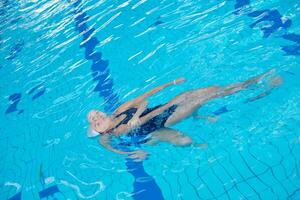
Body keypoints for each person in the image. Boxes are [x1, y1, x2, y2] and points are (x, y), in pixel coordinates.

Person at [87, 69, 279, 161]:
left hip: (157, 112)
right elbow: (152, 113)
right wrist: (131, 153)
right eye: (94, 122)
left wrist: (172, 83)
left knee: (207, 90)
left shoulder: (119, 110)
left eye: (95, 114)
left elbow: (146, 96)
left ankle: (247, 85)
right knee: (204, 98)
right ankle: (260, 89)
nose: (96, 118)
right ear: (99, 131)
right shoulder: (116, 132)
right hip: (157, 120)